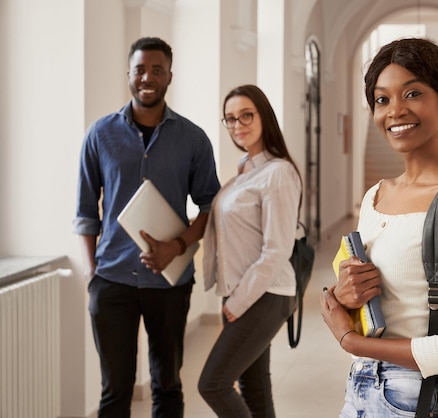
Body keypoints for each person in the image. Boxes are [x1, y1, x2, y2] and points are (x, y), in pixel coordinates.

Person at [319, 37, 438, 417]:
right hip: (362, 388)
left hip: (418, 397)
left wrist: (353, 342)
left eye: (412, 93)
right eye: (382, 100)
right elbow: (388, 300)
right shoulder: (374, 197)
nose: (395, 110)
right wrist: (346, 294)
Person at [73, 37, 221, 418]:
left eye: (157, 70)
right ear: (129, 74)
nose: (148, 78)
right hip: (112, 280)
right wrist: (93, 272)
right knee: (115, 391)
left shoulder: (193, 139)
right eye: (140, 69)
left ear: (169, 76)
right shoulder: (99, 135)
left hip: (170, 282)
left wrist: (178, 245)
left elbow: (210, 207)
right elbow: (87, 212)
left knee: (167, 386)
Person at [198, 84, 301, 418]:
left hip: (265, 295)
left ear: (263, 116)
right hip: (245, 292)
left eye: (246, 115)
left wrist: (238, 302)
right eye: (230, 118)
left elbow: (277, 249)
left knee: (212, 384)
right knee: (255, 392)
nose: (238, 124)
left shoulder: (279, 173)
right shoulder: (246, 167)